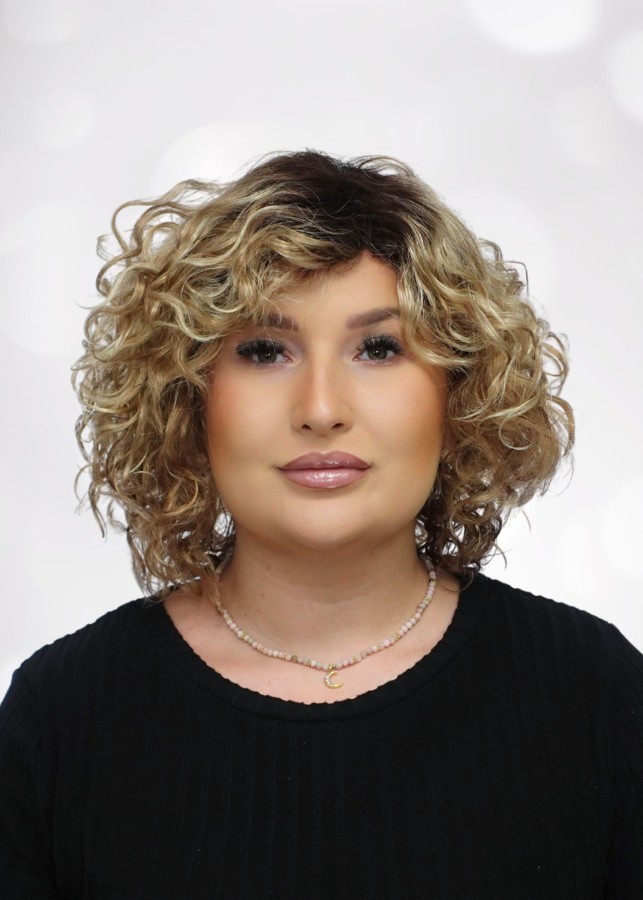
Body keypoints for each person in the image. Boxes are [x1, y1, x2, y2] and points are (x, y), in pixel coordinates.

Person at [0, 149, 641, 899]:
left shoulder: (594, 695)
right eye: (264, 350)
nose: (321, 408)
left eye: (379, 347)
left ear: (460, 390)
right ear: (187, 397)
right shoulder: (63, 716)